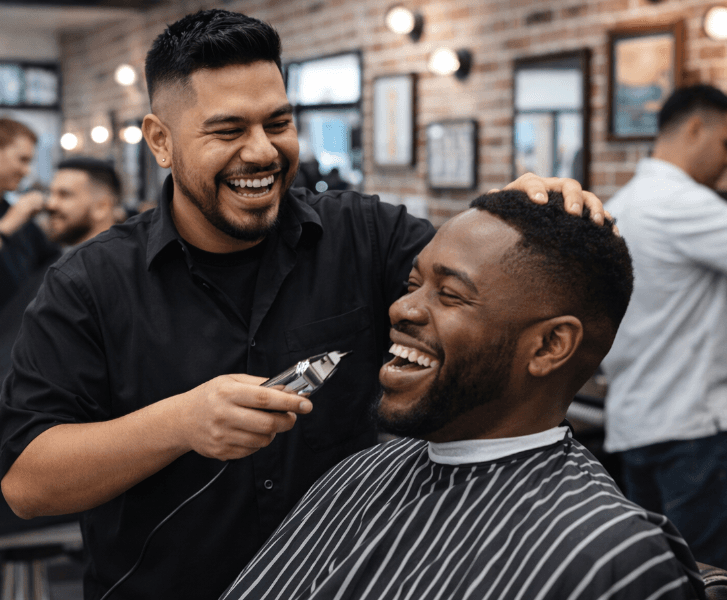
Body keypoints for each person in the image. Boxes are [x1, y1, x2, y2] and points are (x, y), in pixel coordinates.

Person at [0, 10, 607, 599]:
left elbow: (465, 293)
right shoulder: (88, 283)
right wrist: (181, 422)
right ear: (161, 140)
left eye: (278, 122)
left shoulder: (366, 235)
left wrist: (513, 220)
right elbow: (28, 484)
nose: (263, 152)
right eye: (228, 130)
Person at [221, 189, 704, 600]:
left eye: (449, 295)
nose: (402, 308)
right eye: (413, 283)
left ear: (550, 346)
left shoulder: (611, 556)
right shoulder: (357, 474)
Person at [602, 84, 727, 575]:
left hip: (640, 422)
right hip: (694, 431)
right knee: (706, 581)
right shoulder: (675, 200)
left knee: (657, 576)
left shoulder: (626, 202)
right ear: (695, 127)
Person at [0, 156, 121, 379]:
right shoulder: (49, 262)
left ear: (102, 206)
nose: (50, 204)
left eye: (64, 195)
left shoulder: (119, 275)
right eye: (51, 193)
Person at [0, 117, 60, 309]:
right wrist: (10, 223)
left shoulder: (21, 220)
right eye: (22, 160)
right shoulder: (15, 217)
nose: (27, 171)